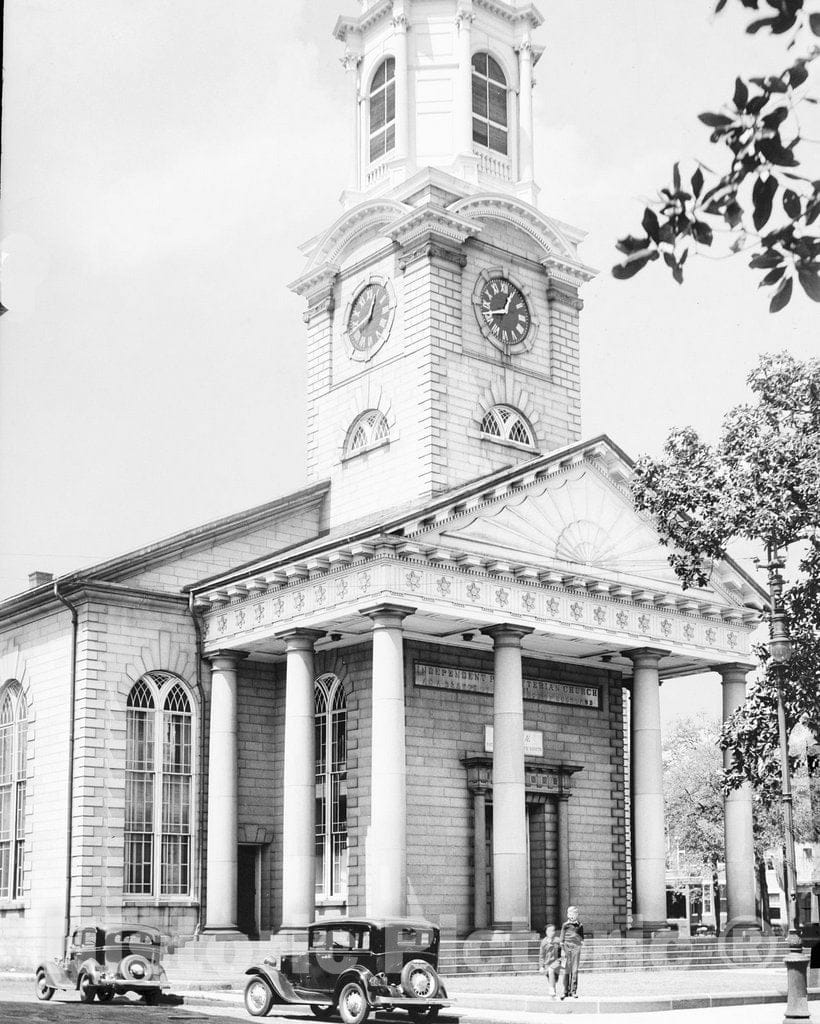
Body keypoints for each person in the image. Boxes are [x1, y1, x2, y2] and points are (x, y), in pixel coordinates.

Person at [558, 905, 585, 999]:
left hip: (576, 948)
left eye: (574, 913)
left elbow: (582, 937)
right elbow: (562, 936)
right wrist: (561, 946)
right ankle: (565, 991)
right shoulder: (565, 925)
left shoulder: (580, 925)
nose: (572, 915)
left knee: (574, 969)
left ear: (577, 915)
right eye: (570, 913)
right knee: (566, 969)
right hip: (566, 948)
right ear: (567, 914)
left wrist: (581, 944)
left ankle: (573, 991)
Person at [537, 924, 562, 998]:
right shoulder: (544, 942)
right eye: (550, 931)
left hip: (557, 961)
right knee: (552, 979)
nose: (552, 932)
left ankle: (551, 990)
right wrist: (541, 966)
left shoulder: (558, 940)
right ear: (546, 932)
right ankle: (553, 996)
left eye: (553, 930)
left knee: (551, 971)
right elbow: (542, 956)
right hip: (547, 963)